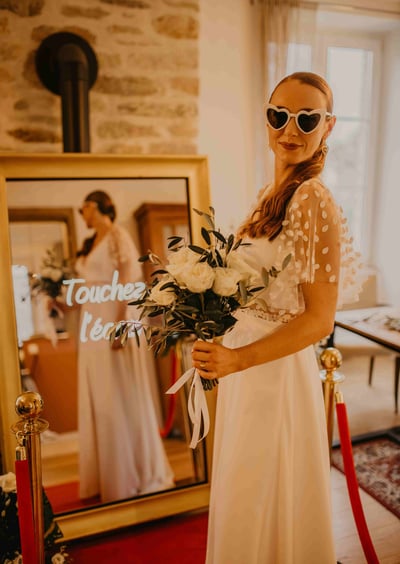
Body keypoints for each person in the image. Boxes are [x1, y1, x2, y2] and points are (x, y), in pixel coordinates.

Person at [192, 72, 362, 563]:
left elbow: (319, 321)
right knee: (247, 496)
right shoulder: (273, 195)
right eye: (279, 115)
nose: (290, 129)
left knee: (265, 494)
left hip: (273, 374)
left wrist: (239, 359)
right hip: (246, 369)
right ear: (266, 118)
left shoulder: (313, 199)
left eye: (306, 118)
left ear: (327, 127)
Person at [75, 190, 174, 503]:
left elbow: (129, 282)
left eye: (85, 208)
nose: (82, 215)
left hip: (111, 321)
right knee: (101, 394)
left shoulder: (118, 236)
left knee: (118, 392)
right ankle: (105, 474)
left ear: (98, 206)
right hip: (92, 321)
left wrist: (119, 326)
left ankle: (131, 474)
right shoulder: (92, 244)